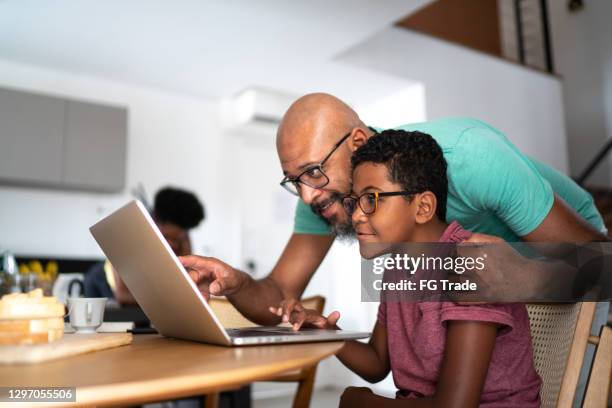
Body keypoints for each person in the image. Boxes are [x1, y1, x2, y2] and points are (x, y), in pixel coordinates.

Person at [180, 93, 608, 327]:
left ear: (359, 143)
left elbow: (601, 266)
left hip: (564, 251)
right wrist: (236, 284)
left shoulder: (469, 157)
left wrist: (522, 276)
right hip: (482, 280)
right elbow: (279, 293)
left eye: (313, 171)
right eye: (295, 181)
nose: (308, 196)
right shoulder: (327, 198)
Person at [276, 129, 542, 407]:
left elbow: (455, 405)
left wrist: (365, 403)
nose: (355, 215)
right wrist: (324, 333)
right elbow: (378, 363)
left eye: (371, 200)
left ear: (423, 207)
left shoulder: (471, 265)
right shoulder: (396, 268)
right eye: (354, 201)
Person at [85, 186, 205, 303]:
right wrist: (169, 300)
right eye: (166, 238)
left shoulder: (183, 237)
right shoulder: (131, 237)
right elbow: (123, 295)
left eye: (177, 239)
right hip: (104, 284)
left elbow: (186, 282)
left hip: (148, 292)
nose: (171, 245)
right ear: (155, 222)